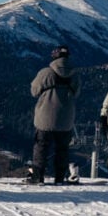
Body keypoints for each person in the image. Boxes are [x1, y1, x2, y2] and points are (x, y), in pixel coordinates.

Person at [28, 45, 81, 185]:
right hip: (66, 119)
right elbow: (77, 93)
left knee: (41, 147)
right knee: (62, 149)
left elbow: (34, 91)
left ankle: (38, 176)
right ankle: (60, 177)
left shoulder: (46, 73)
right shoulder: (74, 75)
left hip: (45, 117)